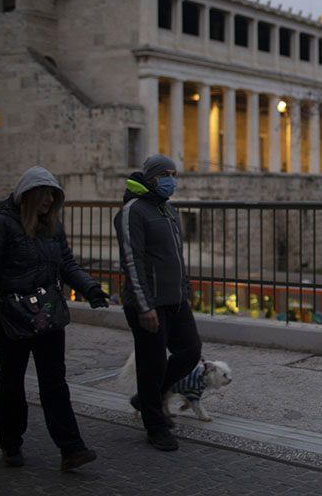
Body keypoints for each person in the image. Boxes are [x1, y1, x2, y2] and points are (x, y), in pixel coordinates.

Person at [0, 166, 109, 470]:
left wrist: (90, 288)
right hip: (10, 317)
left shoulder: (53, 227)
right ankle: (10, 444)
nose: (49, 201)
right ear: (28, 195)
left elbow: (67, 265)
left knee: (54, 382)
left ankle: (71, 448)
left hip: (47, 315)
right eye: (45, 195)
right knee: (12, 382)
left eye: (54, 196)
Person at [114, 154, 201, 452]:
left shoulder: (168, 210)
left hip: (175, 300)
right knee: (151, 364)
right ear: (150, 178)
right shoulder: (133, 211)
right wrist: (144, 306)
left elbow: (176, 256)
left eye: (174, 174)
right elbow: (132, 260)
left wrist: (185, 289)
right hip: (148, 302)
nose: (171, 180)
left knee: (190, 351)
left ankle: (147, 398)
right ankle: (155, 426)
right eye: (165, 174)